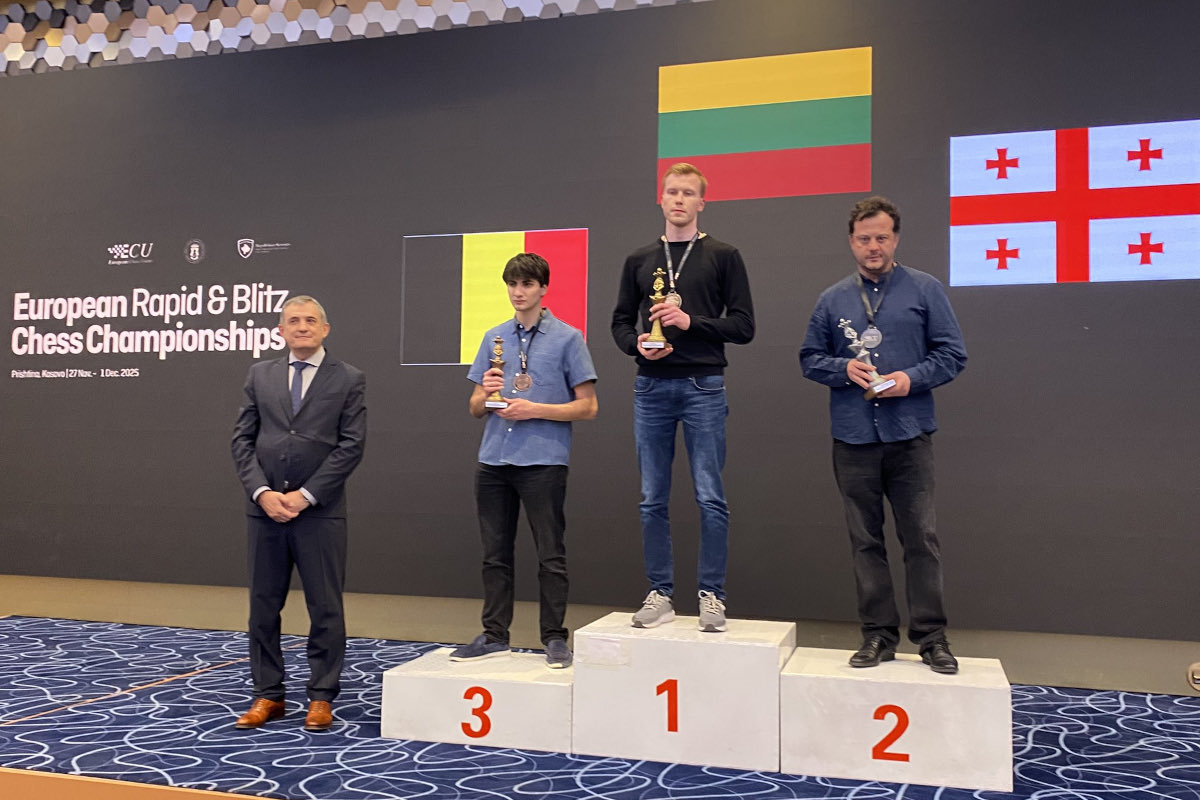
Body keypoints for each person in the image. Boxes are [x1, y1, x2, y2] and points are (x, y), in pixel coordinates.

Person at [799, 196, 967, 674]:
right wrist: (841, 369)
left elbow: (953, 354)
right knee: (865, 542)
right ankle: (877, 635)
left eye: (882, 237)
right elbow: (809, 358)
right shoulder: (832, 299)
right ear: (851, 242)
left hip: (909, 435)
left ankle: (932, 638)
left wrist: (911, 379)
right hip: (853, 439)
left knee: (921, 540)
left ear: (896, 239)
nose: (873, 246)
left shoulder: (925, 290)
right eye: (864, 238)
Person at [610, 162, 755, 633]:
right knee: (651, 497)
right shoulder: (639, 259)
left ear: (701, 202)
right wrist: (638, 345)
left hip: (703, 386)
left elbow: (744, 326)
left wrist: (692, 323)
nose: (678, 199)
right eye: (671, 191)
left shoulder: (723, 255)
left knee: (710, 495)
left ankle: (712, 595)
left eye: (688, 193)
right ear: (661, 198)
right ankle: (660, 593)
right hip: (650, 386)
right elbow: (619, 323)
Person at [451, 253, 598, 668]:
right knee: (494, 554)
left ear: (543, 288)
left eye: (527, 284)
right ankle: (495, 634)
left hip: (543, 460)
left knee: (550, 554)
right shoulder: (493, 337)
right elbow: (475, 407)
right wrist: (486, 393)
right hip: (494, 459)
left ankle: (554, 638)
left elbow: (588, 407)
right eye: (513, 284)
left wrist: (534, 409)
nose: (518, 292)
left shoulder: (568, 338)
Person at [231, 295, 367, 728]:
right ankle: (267, 695)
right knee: (262, 608)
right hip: (265, 512)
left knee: (325, 608)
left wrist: (306, 495)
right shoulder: (259, 375)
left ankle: (321, 696)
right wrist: (262, 493)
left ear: (325, 329)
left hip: (320, 513)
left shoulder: (349, 378)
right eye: (293, 321)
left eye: (310, 320)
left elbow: (351, 446)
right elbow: (242, 440)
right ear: (281, 330)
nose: (302, 326)